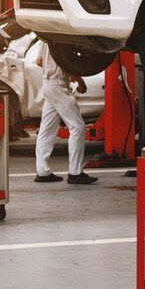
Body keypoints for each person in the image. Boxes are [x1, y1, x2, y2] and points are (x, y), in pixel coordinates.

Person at [34, 45, 97, 185]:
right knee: (78, 127)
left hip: (48, 84)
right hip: (58, 86)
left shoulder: (44, 38)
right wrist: (80, 80)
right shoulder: (60, 36)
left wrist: (51, 66)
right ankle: (75, 173)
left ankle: (42, 172)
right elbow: (67, 64)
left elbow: (39, 61)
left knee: (47, 129)